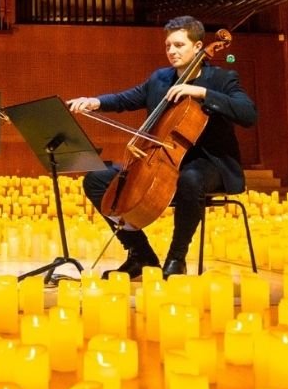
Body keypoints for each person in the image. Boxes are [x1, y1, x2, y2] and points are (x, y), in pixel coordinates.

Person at [67, 15, 257, 279]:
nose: (172, 51)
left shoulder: (220, 79)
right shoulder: (160, 79)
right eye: (168, 46)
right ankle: (141, 256)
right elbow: (127, 98)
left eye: (179, 45)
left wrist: (201, 93)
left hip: (209, 163)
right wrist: (94, 102)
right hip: (161, 159)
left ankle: (176, 258)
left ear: (199, 46)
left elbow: (248, 114)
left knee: (190, 178)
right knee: (97, 180)